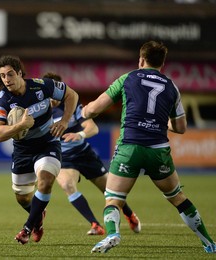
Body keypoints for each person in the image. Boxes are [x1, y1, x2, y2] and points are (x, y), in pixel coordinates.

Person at [83, 41, 216, 254]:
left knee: (113, 199)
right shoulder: (172, 87)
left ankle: (113, 234)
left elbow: (94, 109)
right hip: (158, 150)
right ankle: (208, 242)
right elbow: (180, 127)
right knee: (178, 198)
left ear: (141, 60)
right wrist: (163, 123)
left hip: (130, 147)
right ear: (162, 63)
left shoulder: (128, 78)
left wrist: (84, 111)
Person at [0, 55, 79, 244]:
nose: (6, 79)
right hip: (22, 150)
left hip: (48, 144)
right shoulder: (2, 101)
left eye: (10, 74)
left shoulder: (42, 85)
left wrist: (63, 121)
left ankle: (27, 229)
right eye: (3, 76)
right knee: (22, 198)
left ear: (20, 73)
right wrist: (20, 125)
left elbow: (72, 95)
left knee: (45, 181)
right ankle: (37, 218)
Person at [43, 72, 141, 236]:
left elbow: (92, 127)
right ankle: (96, 225)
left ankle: (129, 214)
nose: (52, 97)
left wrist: (79, 135)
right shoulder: (41, 110)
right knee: (67, 185)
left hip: (84, 153)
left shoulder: (71, 104)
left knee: (110, 190)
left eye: (56, 92)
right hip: (63, 157)